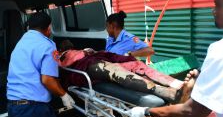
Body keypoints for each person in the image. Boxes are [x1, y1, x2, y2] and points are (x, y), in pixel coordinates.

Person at [7, 12, 75, 117]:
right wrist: (64, 95)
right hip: (32, 109)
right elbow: (47, 79)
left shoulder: (21, 42)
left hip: (13, 107)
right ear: (49, 28)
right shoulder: (47, 45)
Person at [55, 39, 187, 103]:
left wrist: (91, 52)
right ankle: (166, 92)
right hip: (87, 68)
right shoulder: (60, 58)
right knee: (114, 70)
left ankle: (176, 84)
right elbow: (61, 72)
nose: (68, 47)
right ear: (61, 49)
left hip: (96, 62)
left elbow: (106, 54)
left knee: (135, 64)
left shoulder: (83, 51)